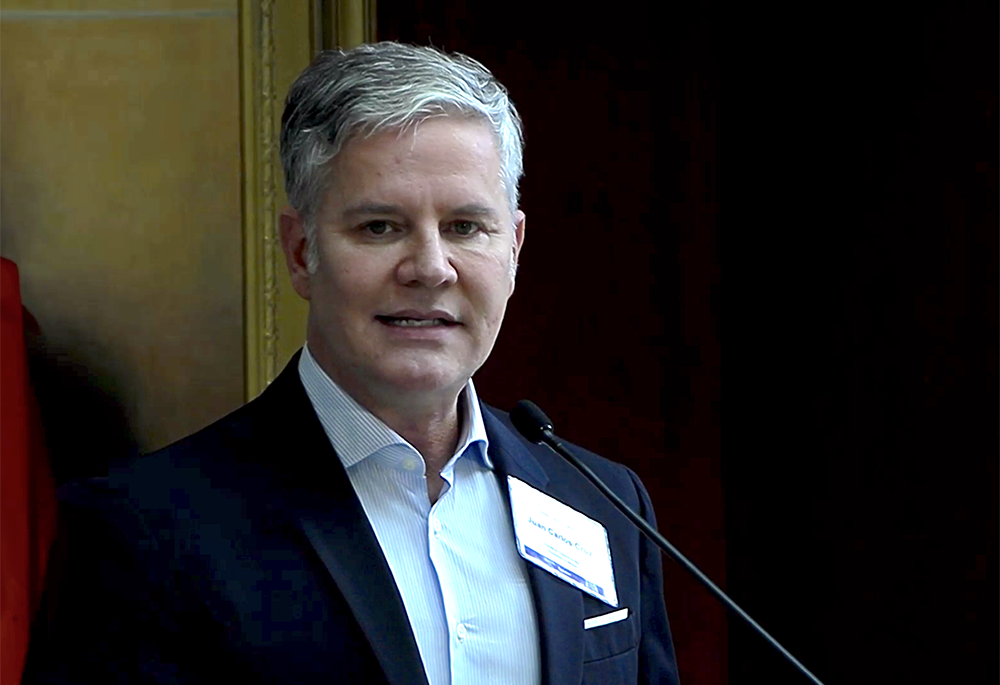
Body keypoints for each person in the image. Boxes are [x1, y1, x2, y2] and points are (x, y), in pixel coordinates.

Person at [22, 42, 679, 685]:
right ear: (302, 251)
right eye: (379, 227)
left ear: (514, 246)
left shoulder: (606, 505)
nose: (429, 267)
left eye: (464, 227)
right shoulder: (143, 532)